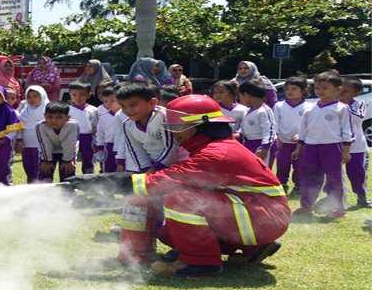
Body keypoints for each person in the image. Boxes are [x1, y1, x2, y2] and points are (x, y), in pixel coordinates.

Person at [67, 94, 289, 278]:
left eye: (178, 127)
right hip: (258, 215)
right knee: (168, 233)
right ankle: (252, 248)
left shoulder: (216, 153)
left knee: (180, 198)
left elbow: (162, 181)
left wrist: (97, 181)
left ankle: (201, 264)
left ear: (199, 126)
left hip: (263, 218)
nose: (175, 134)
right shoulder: (214, 148)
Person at [292, 71, 352, 219]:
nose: (320, 91)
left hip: (332, 147)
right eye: (317, 88)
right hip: (311, 148)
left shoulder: (341, 108)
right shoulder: (310, 108)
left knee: (334, 178)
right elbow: (303, 130)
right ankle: (306, 206)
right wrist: (299, 148)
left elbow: (347, 131)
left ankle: (336, 207)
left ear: (338, 89)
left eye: (325, 88)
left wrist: (346, 151)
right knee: (308, 176)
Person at [115, 84, 178, 173]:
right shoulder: (127, 124)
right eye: (123, 106)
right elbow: (136, 150)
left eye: (133, 105)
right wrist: (146, 170)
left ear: (152, 103)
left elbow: (172, 148)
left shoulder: (163, 117)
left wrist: (155, 169)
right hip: (153, 166)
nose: (128, 111)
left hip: (176, 165)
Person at [273, 77, 309, 194]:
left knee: (300, 166)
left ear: (303, 90)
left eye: (294, 89)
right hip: (283, 143)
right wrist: (277, 137)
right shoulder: (279, 106)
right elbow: (275, 123)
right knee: (282, 165)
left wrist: (301, 136)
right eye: (287, 89)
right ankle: (282, 185)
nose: (290, 91)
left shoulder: (309, 107)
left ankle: (299, 186)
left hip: (301, 144)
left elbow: (310, 125)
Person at [340, 76, 368, 208]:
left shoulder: (360, 105)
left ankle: (361, 198)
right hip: (336, 146)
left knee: (357, 174)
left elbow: (358, 118)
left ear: (355, 93)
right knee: (334, 175)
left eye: (346, 91)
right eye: (340, 89)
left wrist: (344, 107)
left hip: (356, 147)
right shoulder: (332, 105)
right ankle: (337, 201)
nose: (341, 93)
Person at [36, 101, 78, 182]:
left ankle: (68, 192)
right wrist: (46, 160)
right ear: (44, 116)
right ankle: (44, 191)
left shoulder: (73, 125)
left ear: (67, 118)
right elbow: (45, 144)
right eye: (50, 117)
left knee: (67, 172)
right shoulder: (40, 126)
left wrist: (67, 160)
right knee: (45, 171)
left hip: (67, 151)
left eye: (59, 117)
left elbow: (70, 144)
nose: (54, 120)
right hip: (48, 152)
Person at [237, 79, 276, 163]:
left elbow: (270, 131)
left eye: (240, 96)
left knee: (262, 171)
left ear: (246, 95)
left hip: (261, 145)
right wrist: (239, 133)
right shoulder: (247, 111)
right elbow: (244, 126)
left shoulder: (264, 111)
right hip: (248, 143)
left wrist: (264, 148)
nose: (239, 100)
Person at [17, 85, 50, 183]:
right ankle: (31, 185)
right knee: (28, 166)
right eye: (29, 97)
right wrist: (19, 139)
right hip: (27, 144)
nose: (32, 99)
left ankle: (40, 187)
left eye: (35, 96)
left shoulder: (48, 110)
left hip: (41, 145)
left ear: (42, 96)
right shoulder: (24, 111)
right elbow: (19, 126)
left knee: (39, 167)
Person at [67, 82, 98, 175]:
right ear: (70, 95)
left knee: (88, 159)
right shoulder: (67, 110)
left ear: (88, 95)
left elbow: (95, 126)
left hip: (88, 138)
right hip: (72, 138)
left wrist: (96, 140)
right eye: (74, 95)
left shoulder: (93, 110)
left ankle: (88, 179)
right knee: (71, 159)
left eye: (82, 95)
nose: (78, 97)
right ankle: (70, 178)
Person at [94, 87, 121, 173]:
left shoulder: (126, 116)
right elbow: (100, 133)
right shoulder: (103, 117)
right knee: (108, 168)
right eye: (105, 101)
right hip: (109, 147)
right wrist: (100, 148)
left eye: (112, 101)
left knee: (122, 168)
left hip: (122, 147)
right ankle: (107, 185)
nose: (109, 104)